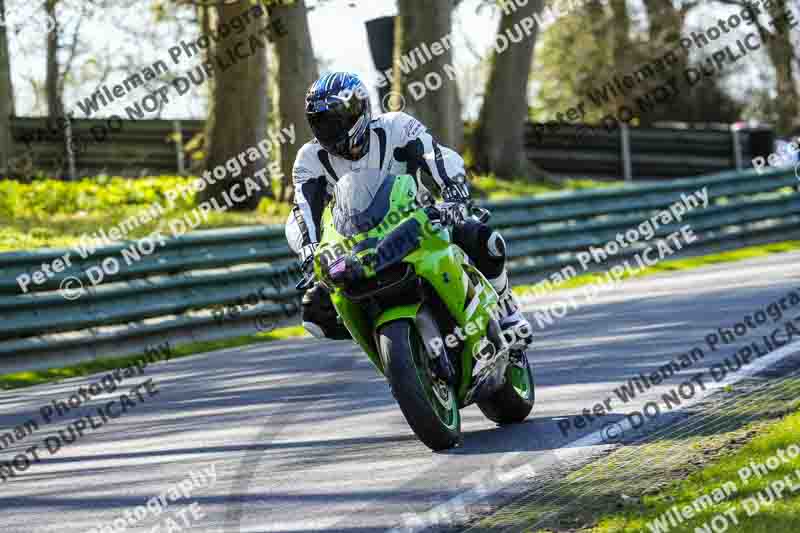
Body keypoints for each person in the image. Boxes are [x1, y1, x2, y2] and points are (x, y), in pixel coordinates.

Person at [284, 72, 530, 344]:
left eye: (333, 121)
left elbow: (436, 155)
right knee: (315, 313)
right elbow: (303, 208)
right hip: (356, 249)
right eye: (319, 123)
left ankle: (507, 310)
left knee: (484, 240)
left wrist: (453, 192)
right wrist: (309, 249)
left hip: (419, 225)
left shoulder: (397, 127)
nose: (326, 131)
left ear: (357, 112)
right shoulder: (309, 158)